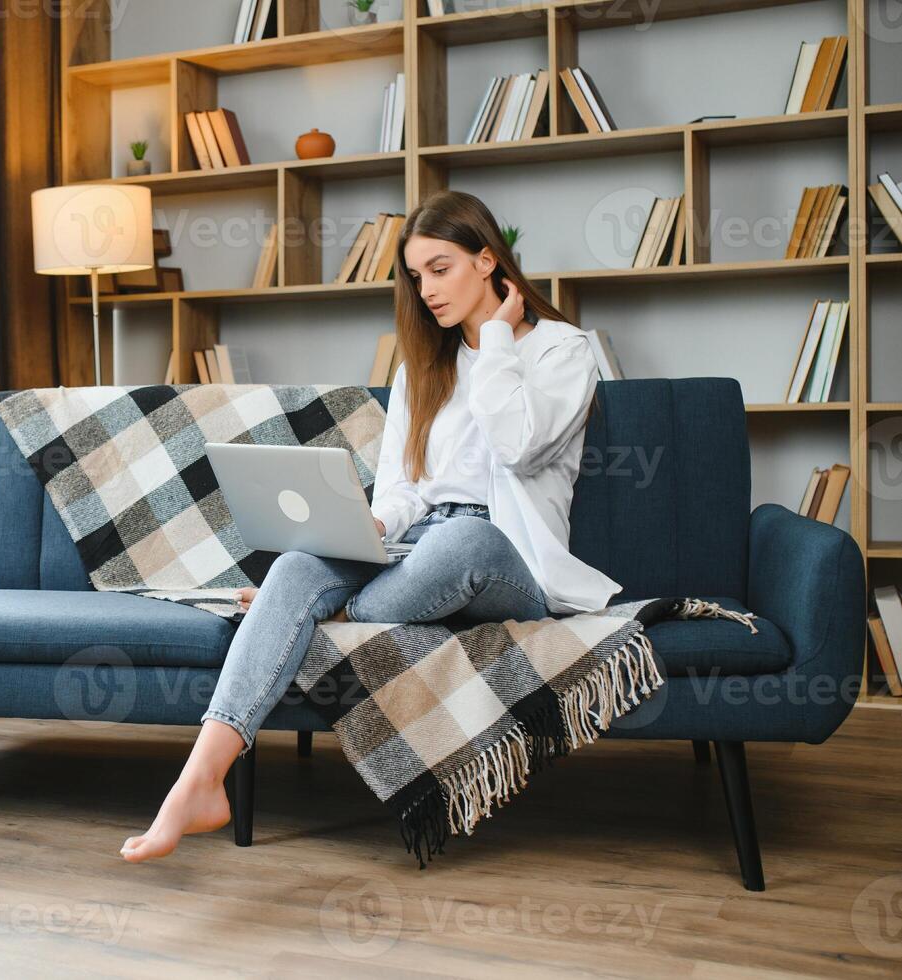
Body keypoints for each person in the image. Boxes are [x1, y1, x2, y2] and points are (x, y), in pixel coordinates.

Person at [119, 189, 622, 863]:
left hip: (504, 561)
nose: (427, 290)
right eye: (416, 276)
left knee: (459, 539)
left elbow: (517, 446)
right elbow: (404, 487)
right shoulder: (425, 364)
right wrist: (365, 529)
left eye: (440, 268)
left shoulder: (563, 350)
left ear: (486, 261)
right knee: (297, 567)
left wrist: (498, 335)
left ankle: (317, 610)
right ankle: (199, 781)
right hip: (415, 554)